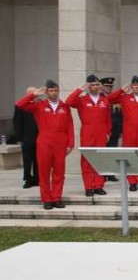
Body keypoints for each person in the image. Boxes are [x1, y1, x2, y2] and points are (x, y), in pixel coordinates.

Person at [15, 81, 74, 210]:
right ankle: (47, 199)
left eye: (56, 90)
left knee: (59, 173)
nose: (54, 93)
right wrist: (34, 94)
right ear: (47, 92)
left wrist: (70, 144)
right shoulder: (39, 105)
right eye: (51, 91)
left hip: (60, 142)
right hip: (45, 142)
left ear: (58, 91)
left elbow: (70, 126)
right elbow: (20, 104)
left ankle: (56, 198)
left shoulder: (64, 107)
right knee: (44, 172)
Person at [107, 76, 138, 191]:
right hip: (129, 133)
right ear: (131, 86)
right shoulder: (125, 98)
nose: (136, 87)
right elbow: (109, 99)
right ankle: (132, 181)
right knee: (130, 157)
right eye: (134, 85)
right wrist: (121, 90)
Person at [65, 74, 113, 196]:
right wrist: (80, 89)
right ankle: (88, 186)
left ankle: (98, 185)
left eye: (97, 84)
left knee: (100, 159)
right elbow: (68, 101)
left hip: (101, 133)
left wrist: (108, 132)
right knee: (86, 160)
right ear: (88, 86)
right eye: (92, 85)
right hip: (87, 132)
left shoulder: (104, 100)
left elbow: (108, 119)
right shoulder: (82, 99)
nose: (95, 87)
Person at [12, 97, 38, 189]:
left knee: (38, 160)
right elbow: (17, 122)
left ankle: (37, 178)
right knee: (27, 160)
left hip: (39, 138)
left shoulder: (39, 104)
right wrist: (19, 138)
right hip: (26, 138)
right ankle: (28, 179)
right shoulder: (21, 106)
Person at [102, 77, 122, 183]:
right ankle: (103, 174)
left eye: (111, 87)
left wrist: (120, 130)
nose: (109, 88)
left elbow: (120, 115)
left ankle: (111, 174)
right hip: (104, 131)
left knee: (112, 152)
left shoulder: (115, 99)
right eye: (107, 86)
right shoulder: (100, 98)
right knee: (103, 153)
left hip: (115, 130)